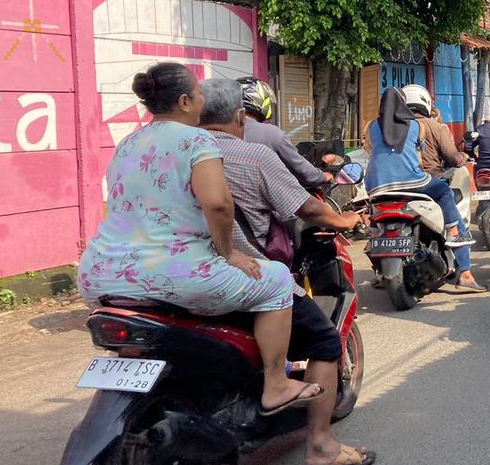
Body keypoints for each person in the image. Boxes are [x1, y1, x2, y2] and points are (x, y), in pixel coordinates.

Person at [77, 63, 322, 417]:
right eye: (199, 93)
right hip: (177, 275)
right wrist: (229, 253)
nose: (203, 99)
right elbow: (219, 204)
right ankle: (276, 383)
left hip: (99, 276)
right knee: (277, 281)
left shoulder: (128, 142)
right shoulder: (196, 140)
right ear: (184, 101)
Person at [198, 79, 372, 465]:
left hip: (166, 275)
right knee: (324, 339)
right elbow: (307, 208)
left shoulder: (172, 154)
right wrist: (343, 218)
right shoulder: (254, 154)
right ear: (241, 115)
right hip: (237, 276)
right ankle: (321, 446)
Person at [366, 87, 485, 292]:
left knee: (373, 217)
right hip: (412, 183)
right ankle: (456, 242)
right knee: (443, 191)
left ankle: (379, 268)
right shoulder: (416, 126)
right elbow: (419, 156)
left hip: (376, 185)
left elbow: (371, 150)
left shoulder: (370, 126)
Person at [236, 77, 330, 189]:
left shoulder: (215, 134)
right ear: (259, 99)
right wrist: (323, 176)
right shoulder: (271, 133)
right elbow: (303, 171)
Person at [401, 84, 469, 178]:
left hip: (401, 181)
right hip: (431, 179)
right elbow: (455, 160)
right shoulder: (437, 127)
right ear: (426, 103)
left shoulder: (393, 127)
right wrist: (464, 156)